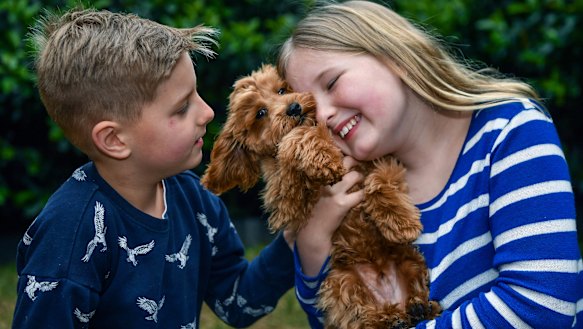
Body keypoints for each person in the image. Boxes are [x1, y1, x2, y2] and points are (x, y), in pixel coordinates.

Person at [277, 1, 583, 328]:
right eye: (308, 111)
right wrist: (313, 246)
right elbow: (335, 319)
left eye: (332, 82)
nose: (322, 116)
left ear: (396, 57)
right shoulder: (351, 191)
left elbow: (542, 304)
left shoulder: (508, 132)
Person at [12, 7, 294, 328]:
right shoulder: (70, 236)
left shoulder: (193, 199)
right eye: (183, 106)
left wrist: (297, 239)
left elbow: (237, 301)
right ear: (114, 139)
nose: (207, 112)